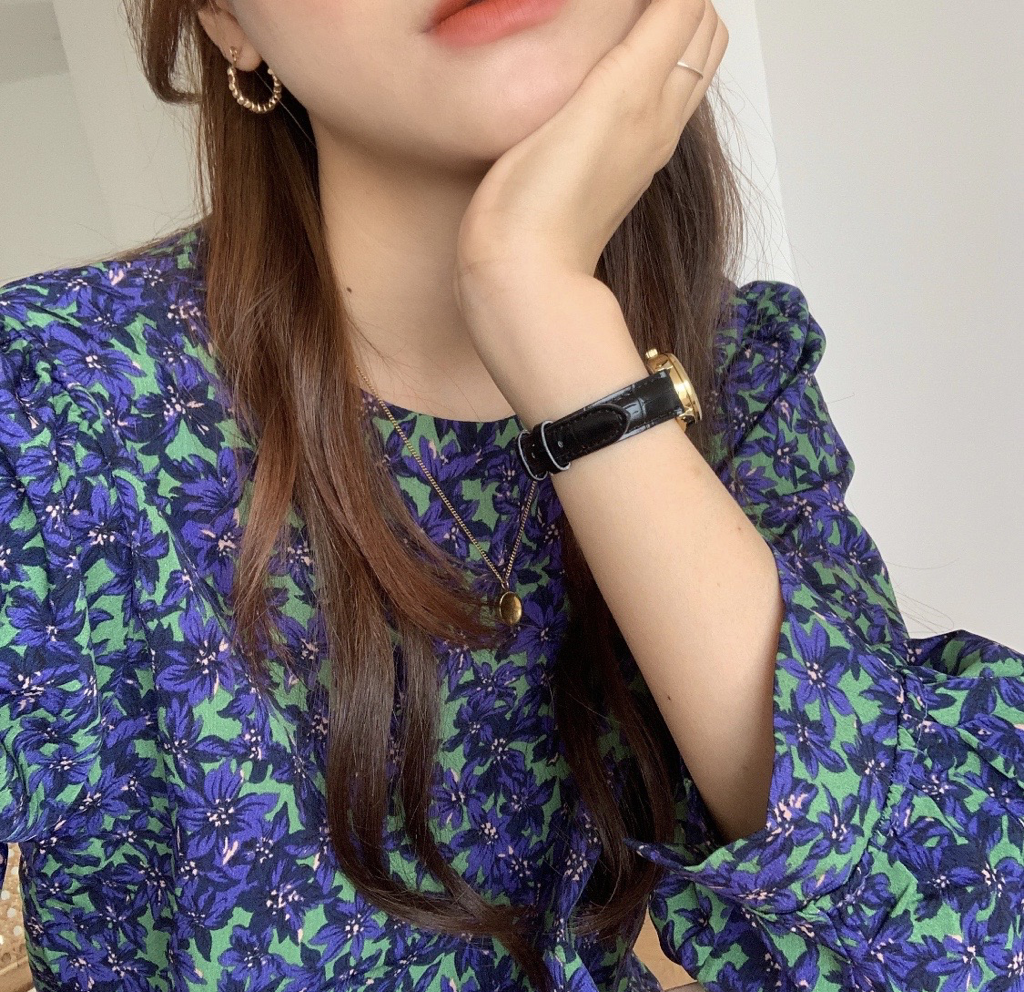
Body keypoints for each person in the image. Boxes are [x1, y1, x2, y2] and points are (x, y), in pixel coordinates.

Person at [1, 0, 1022, 990]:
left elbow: (976, 934)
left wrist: (551, 322)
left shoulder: (734, 372)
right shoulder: (48, 415)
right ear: (225, 19)